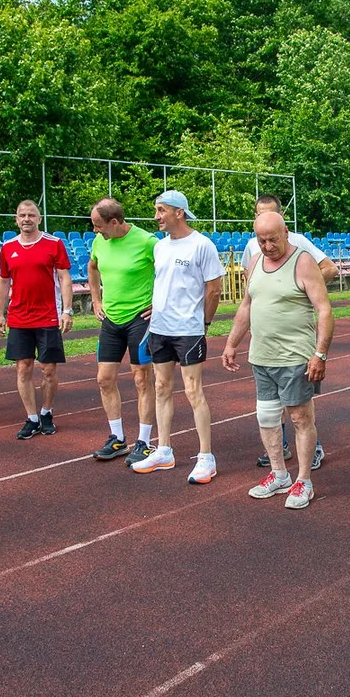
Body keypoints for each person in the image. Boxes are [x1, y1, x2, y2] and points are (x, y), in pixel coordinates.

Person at [224, 211, 334, 509]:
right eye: (262, 240)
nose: (268, 245)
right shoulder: (256, 261)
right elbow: (247, 304)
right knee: (267, 418)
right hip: (261, 357)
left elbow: (323, 310)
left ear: (286, 232)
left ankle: (304, 480)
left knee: (300, 418)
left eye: (273, 239)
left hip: (295, 358)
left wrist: (320, 353)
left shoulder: (303, 262)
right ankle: (279, 474)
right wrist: (232, 343)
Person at [131, 190, 224, 484]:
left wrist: (204, 323)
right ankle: (164, 450)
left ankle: (206, 457)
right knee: (161, 388)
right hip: (160, 329)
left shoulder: (202, 246)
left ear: (178, 213)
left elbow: (214, 289)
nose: (156, 216)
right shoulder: (160, 247)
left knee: (193, 392)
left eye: (161, 210)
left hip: (189, 331)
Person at [241, 193, 337, 470]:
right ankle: (279, 454)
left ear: (283, 223)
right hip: (264, 345)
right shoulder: (253, 249)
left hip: (295, 345)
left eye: (269, 214)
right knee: (269, 411)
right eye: (259, 215)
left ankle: (311, 454)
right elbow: (251, 294)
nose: (268, 243)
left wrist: (304, 287)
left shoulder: (300, 246)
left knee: (299, 411)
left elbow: (329, 268)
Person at [0, 200, 74, 440]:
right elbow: (3, 281)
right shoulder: (8, 247)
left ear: (39, 219)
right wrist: (0, 313)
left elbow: (64, 277)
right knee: (22, 368)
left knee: (48, 370)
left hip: (48, 315)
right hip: (19, 317)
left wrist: (67, 310)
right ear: (16, 219)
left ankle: (46, 412)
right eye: (22, 215)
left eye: (31, 215)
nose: (26, 219)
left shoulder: (54, 244)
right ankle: (31, 418)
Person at [86, 198, 157, 466]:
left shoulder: (147, 242)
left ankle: (144, 441)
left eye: (99, 225)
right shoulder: (99, 242)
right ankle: (117, 438)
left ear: (114, 222)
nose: (96, 231)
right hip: (111, 320)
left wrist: (158, 302)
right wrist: (96, 299)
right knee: (104, 379)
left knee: (141, 379)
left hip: (140, 318)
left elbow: (168, 272)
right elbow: (92, 267)